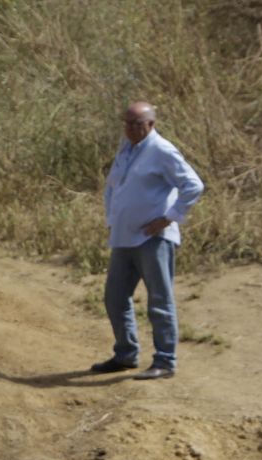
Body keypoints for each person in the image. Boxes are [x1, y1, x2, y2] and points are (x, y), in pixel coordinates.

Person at [90, 101, 204, 381]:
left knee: (159, 300)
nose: (130, 128)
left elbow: (193, 185)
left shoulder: (161, 150)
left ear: (151, 124)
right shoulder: (127, 148)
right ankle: (126, 354)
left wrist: (169, 217)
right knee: (115, 297)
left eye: (137, 124)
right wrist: (112, 221)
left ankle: (165, 361)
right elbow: (114, 187)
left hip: (153, 239)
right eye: (127, 123)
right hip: (123, 237)